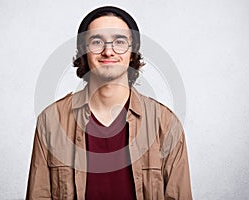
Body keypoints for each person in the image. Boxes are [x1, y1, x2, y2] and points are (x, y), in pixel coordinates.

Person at [26, 6, 192, 200]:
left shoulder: (165, 123)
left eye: (120, 41)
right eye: (96, 41)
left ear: (132, 52)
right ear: (83, 51)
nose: (108, 51)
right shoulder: (52, 120)